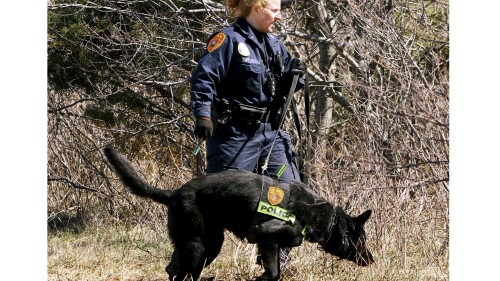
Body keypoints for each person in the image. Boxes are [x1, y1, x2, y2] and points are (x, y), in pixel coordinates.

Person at [189, 0, 306, 276]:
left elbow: (291, 77)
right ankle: (184, 266)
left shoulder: (275, 45)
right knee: (216, 204)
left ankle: (274, 265)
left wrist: (296, 75)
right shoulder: (227, 40)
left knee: (289, 195)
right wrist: (203, 115)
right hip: (233, 134)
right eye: (274, 10)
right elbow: (204, 78)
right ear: (256, 8)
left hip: (270, 133)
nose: (279, 16)